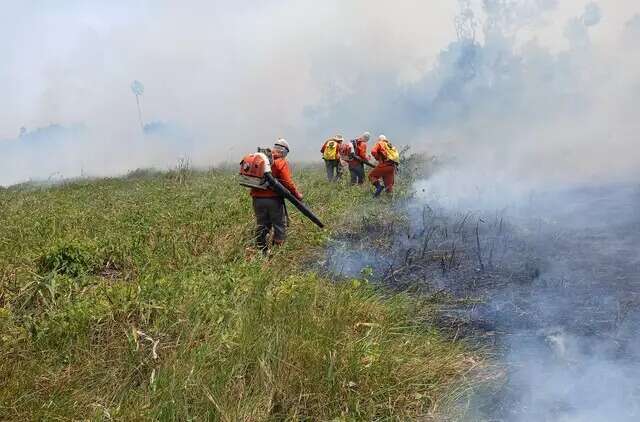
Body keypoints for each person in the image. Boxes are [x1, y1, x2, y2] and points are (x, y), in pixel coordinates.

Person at [250, 138, 302, 253]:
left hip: (256, 199)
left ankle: (261, 251)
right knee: (279, 225)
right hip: (273, 200)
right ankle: (278, 253)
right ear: (284, 151)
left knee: (262, 224)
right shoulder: (280, 162)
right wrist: (297, 195)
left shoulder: (260, 159)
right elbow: (288, 183)